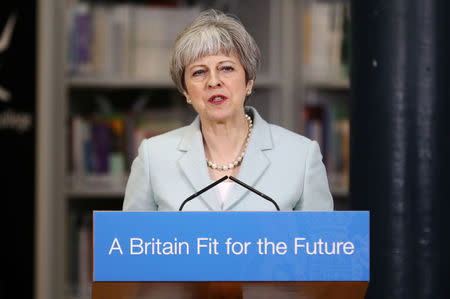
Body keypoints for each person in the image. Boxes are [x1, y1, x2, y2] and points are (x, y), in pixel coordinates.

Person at [123, 9, 333, 211]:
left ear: (248, 81)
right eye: (198, 72)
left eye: (226, 68)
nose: (214, 81)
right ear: (186, 91)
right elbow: (132, 243)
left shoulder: (301, 156)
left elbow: (322, 244)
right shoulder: (154, 157)